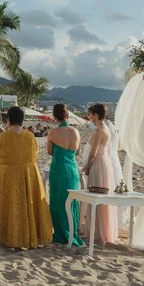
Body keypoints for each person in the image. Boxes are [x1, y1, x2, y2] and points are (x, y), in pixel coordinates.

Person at [0, 106, 53, 249]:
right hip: (29, 174)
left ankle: (10, 236)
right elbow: (35, 153)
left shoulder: (4, 136)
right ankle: (29, 235)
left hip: (9, 175)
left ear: (9, 119)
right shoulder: (30, 136)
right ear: (22, 120)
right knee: (27, 205)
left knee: (11, 205)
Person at [47, 104, 84, 247]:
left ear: (54, 117)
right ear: (67, 116)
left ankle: (60, 233)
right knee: (71, 200)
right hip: (72, 169)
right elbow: (78, 152)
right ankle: (71, 231)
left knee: (57, 200)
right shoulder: (76, 132)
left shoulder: (53, 133)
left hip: (59, 169)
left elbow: (50, 152)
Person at [81, 103, 118, 245]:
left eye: (90, 114)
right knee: (103, 198)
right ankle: (104, 230)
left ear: (96, 115)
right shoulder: (107, 128)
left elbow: (93, 153)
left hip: (98, 164)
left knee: (94, 196)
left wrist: (87, 167)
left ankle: (96, 232)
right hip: (105, 163)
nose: (89, 117)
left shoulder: (99, 130)